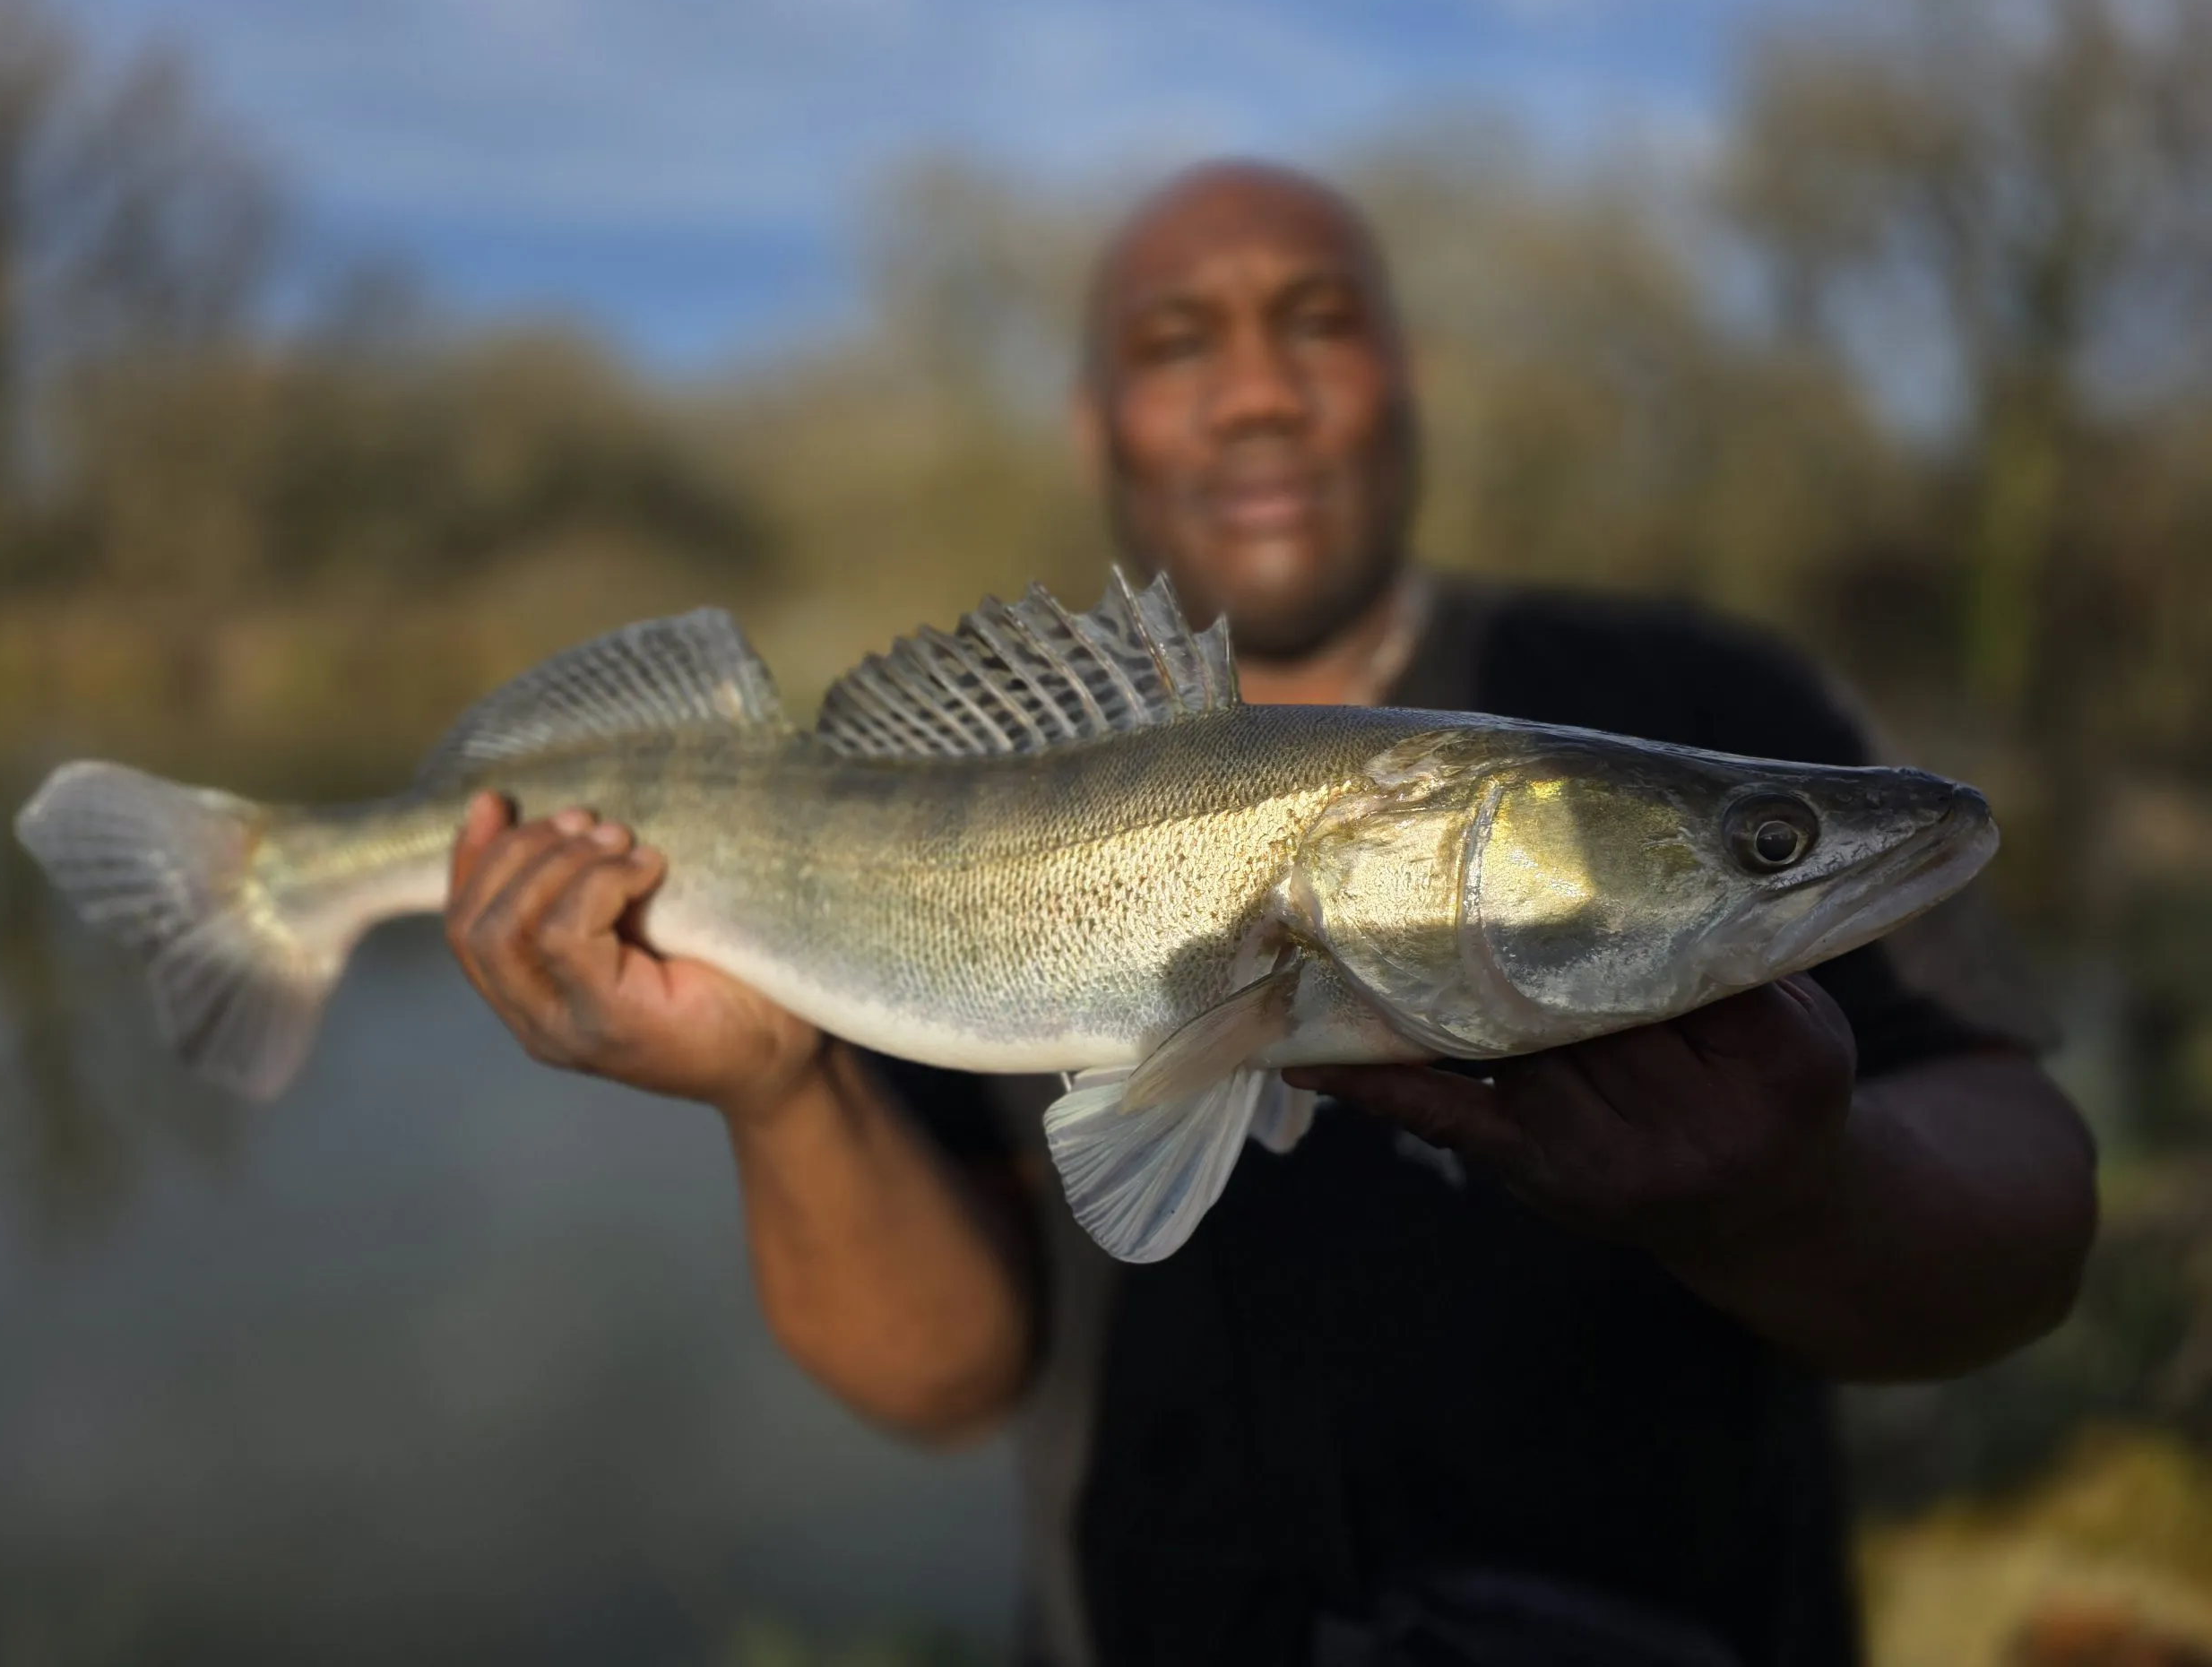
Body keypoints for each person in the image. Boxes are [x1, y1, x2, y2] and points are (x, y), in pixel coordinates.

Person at [439, 162, 2097, 1667]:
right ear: (1097, 424)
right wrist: (773, 1081)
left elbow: (2027, 1218)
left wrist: (1796, 1202)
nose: (1255, 392)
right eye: (1177, 344)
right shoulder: (982, 786)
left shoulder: (1701, 686)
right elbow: (947, 1377)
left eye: (1318, 323)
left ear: (1405, 374)